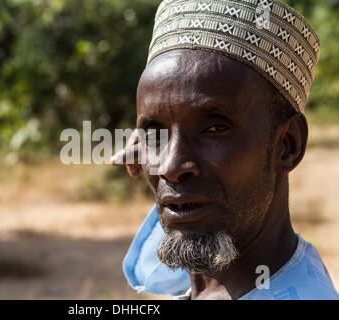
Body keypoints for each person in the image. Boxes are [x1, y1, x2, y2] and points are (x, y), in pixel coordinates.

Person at [111, 0, 338, 300]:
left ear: (288, 145)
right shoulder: (217, 271)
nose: (170, 166)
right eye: (154, 133)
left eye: (215, 128)